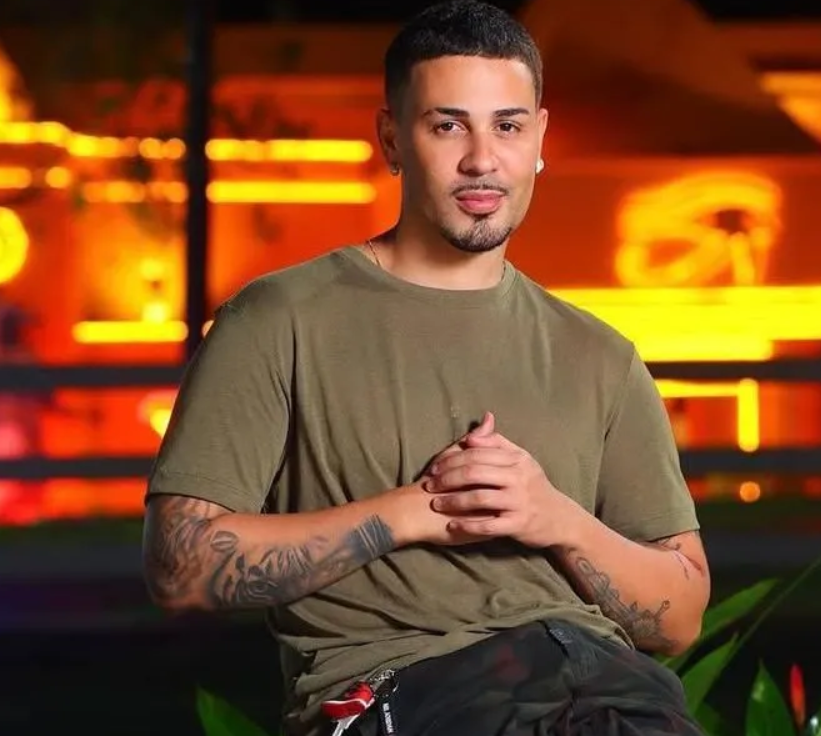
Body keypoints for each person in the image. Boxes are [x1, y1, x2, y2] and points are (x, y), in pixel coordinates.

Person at [141, 1, 710, 734]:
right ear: (392, 139)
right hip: (405, 688)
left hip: (601, 688)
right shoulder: (281, 318)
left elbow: (680, 618)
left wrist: (554, 517)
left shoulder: (600, 354)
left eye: (507, 127)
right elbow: (180, 567)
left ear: (539, 138)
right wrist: (412, 514)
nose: (482, 159)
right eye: (448, 126)